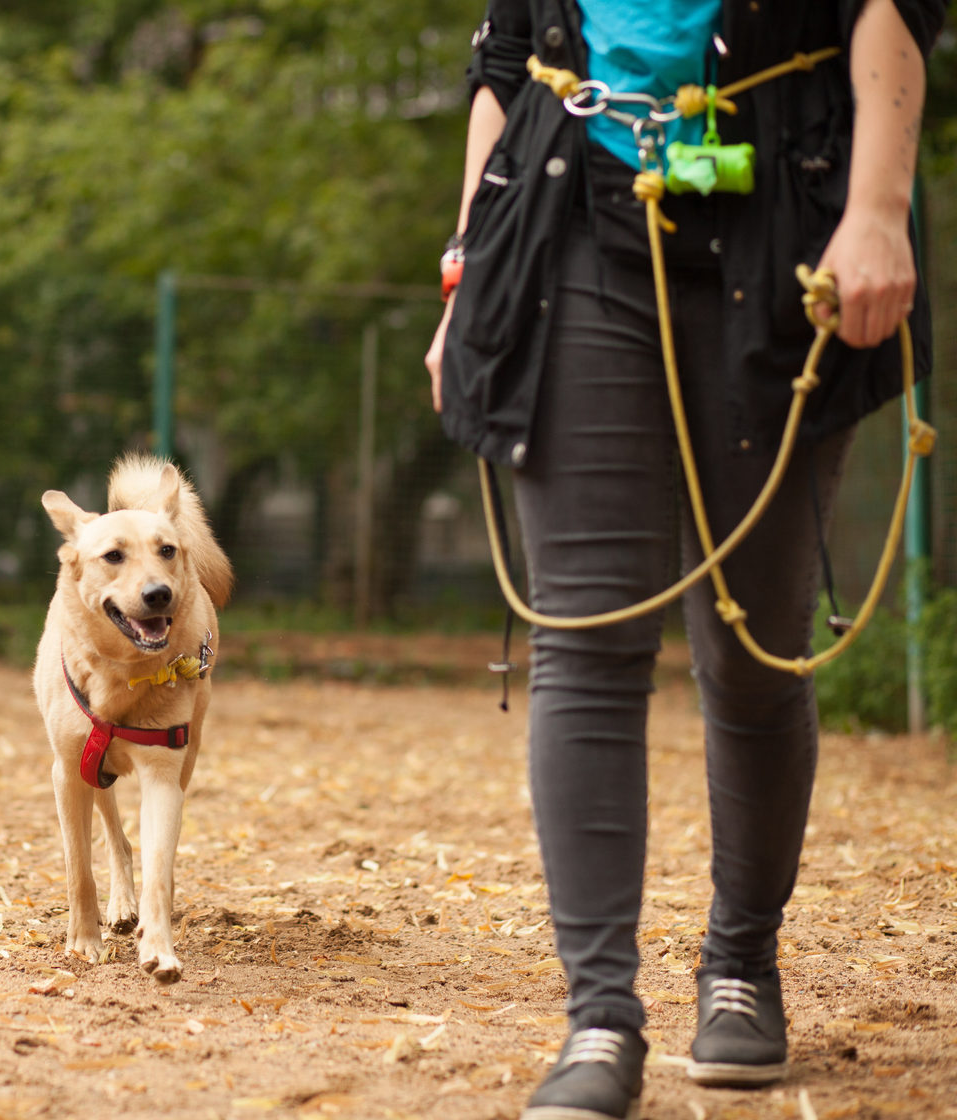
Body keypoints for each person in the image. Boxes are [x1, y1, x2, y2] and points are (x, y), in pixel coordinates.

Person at [423, 2, 945, 1119]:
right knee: (586, 639)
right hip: (569, 227)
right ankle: (599, 1018)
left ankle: (742, 965)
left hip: (790, 223)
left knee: (753, 651)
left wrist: (879, 211)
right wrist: (471, 257)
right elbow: (504, 61)